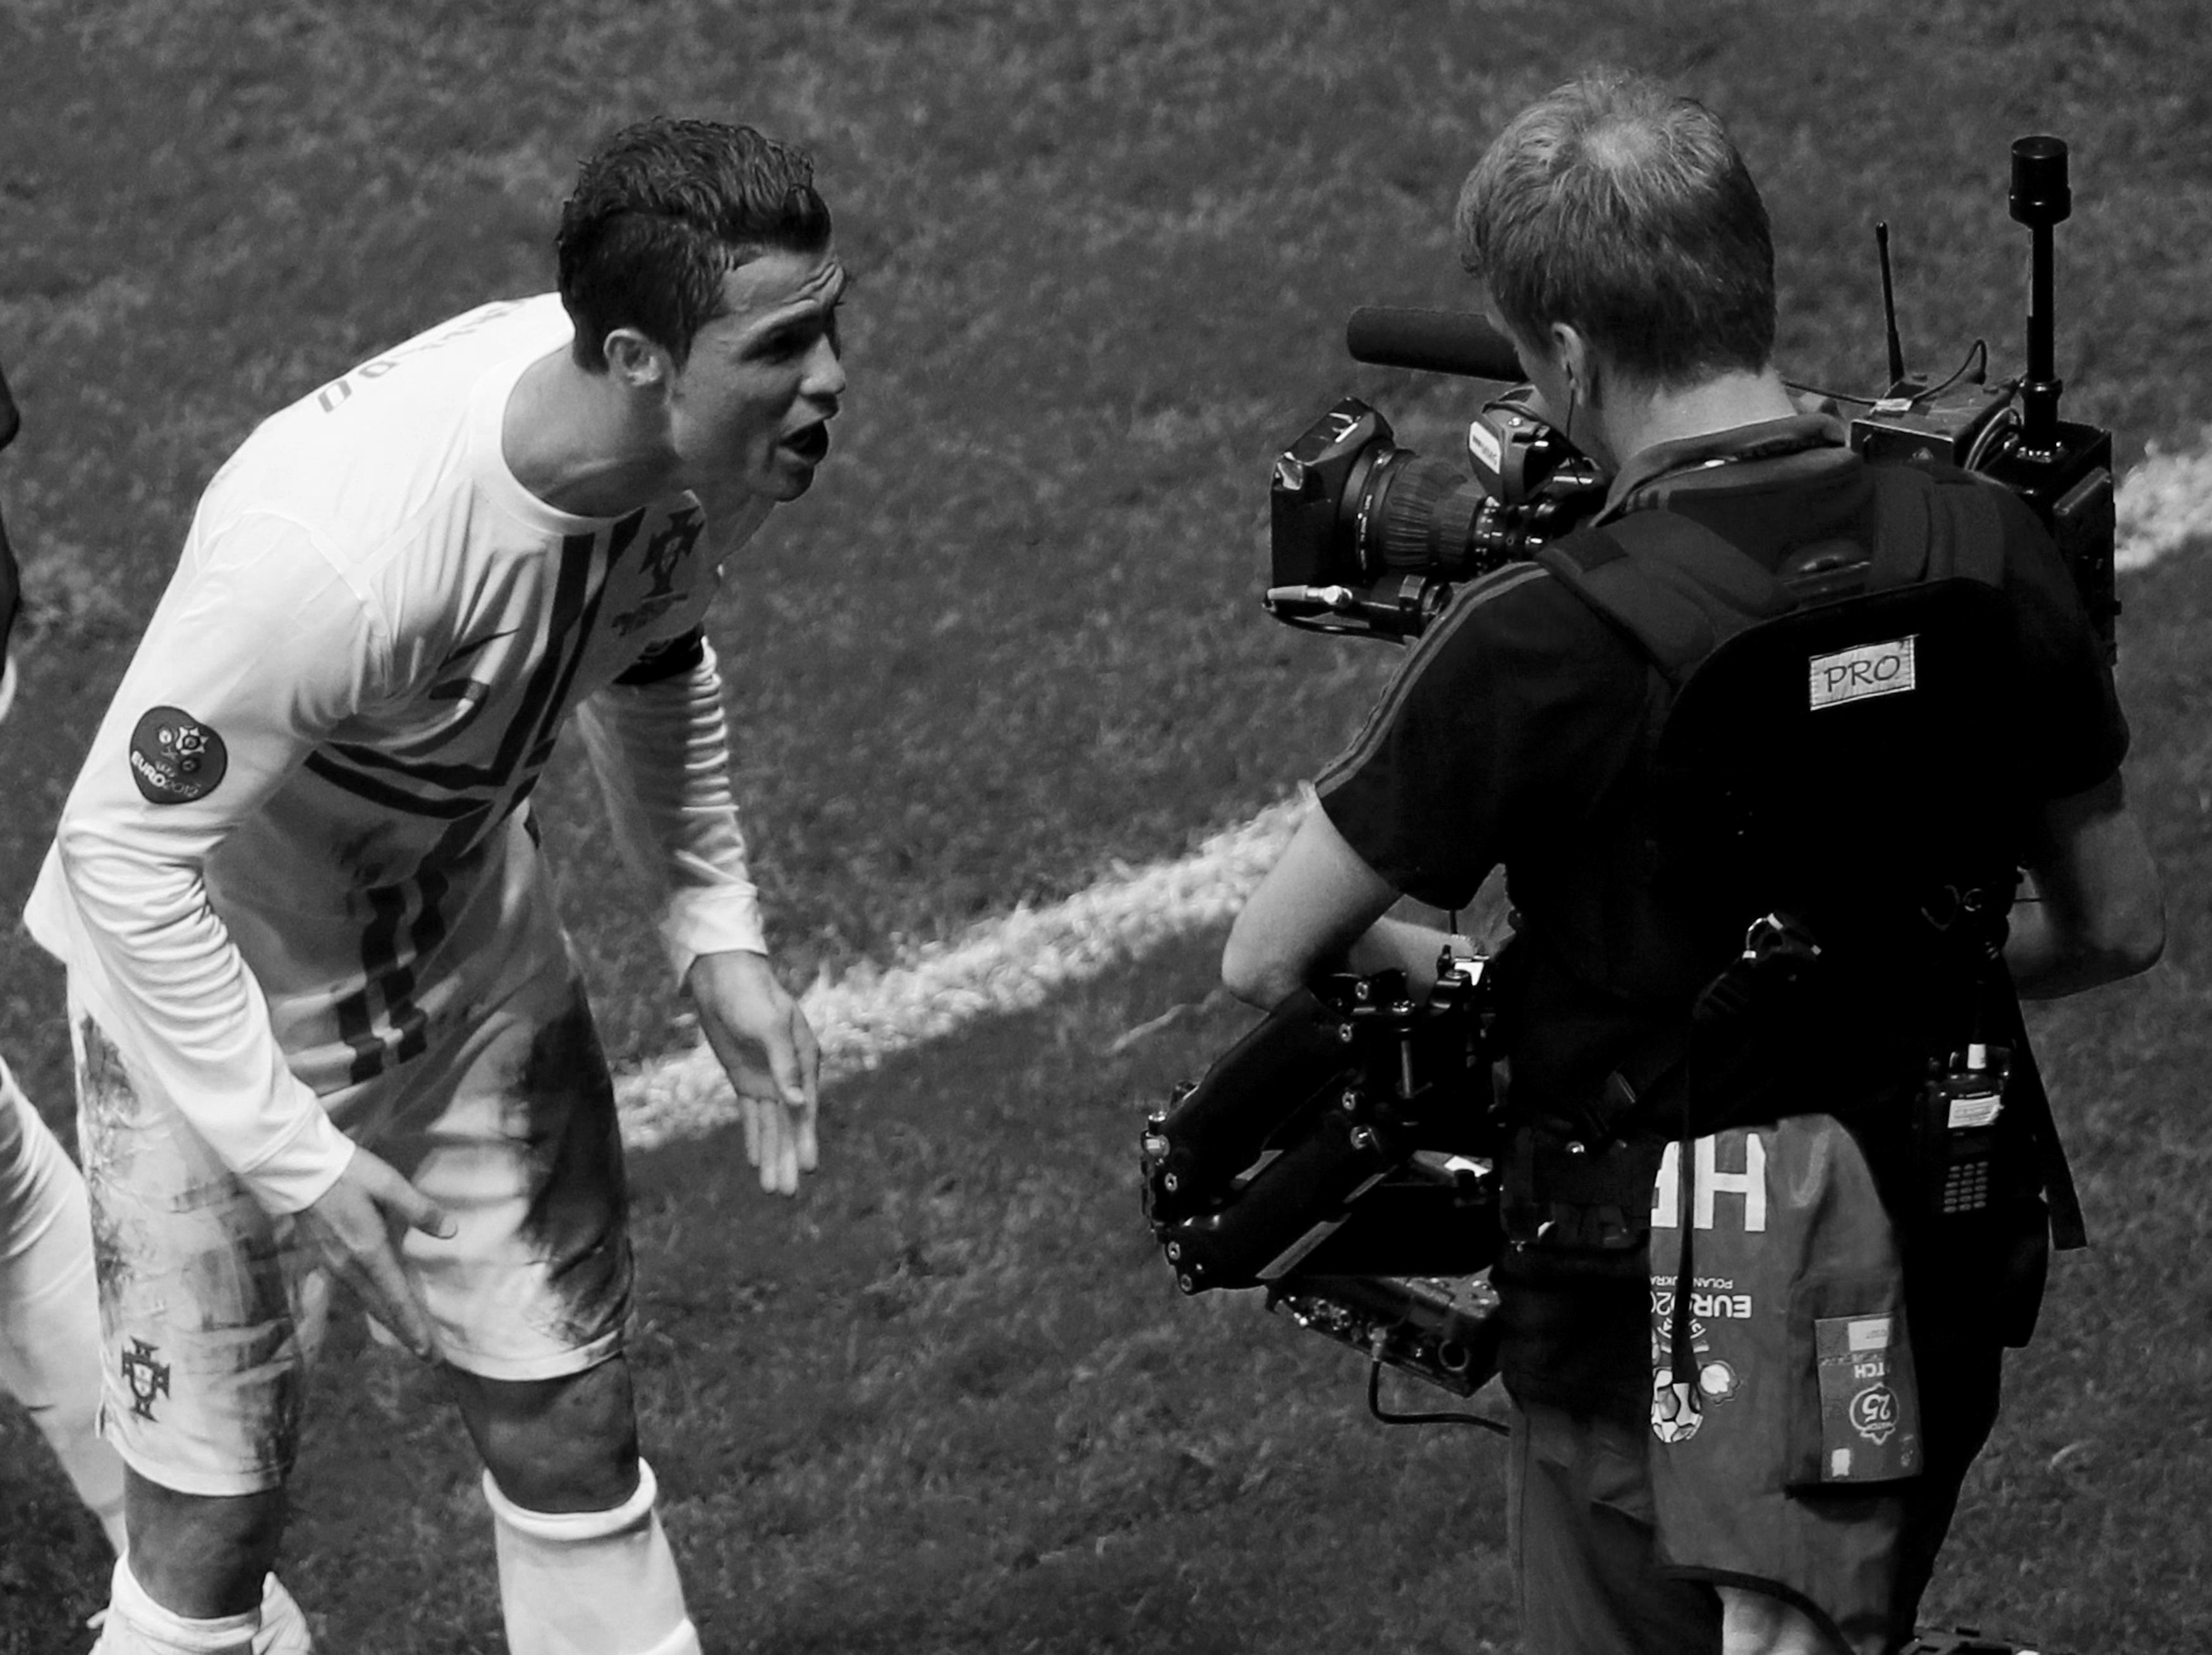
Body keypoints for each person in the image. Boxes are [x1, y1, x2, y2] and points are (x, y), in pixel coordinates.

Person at [1222, 72, 2163, 1655]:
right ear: (1747, 281)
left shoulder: (1537, 638)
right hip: (1934, 1256)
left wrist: (1500, 994)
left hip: (1635, 1311)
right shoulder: (1987, 543)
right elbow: (2115, 926)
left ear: (1569, 360)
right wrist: (1875, 992)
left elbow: (1269, 954)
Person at [28, 116, 844, 1655]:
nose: (830, 379)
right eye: (786, 343)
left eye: (830, 324)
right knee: (209, 1524)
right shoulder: (337, 554)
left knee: (571, 1419)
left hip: (470, 969)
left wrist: (710, 924)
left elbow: (655, 653)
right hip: (212, 1027)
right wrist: (297, 1157)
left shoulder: (703, 459)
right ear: (636, 354)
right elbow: (120, 855)